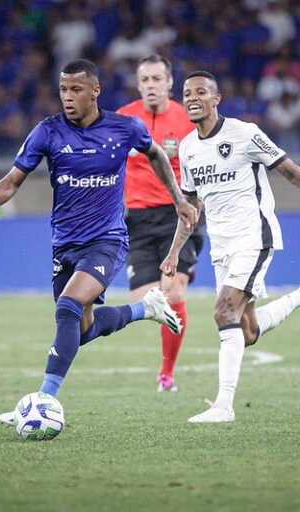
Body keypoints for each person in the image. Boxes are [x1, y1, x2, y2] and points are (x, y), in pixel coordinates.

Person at [0, 59, 198, 426]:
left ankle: (42, 400)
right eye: (62, 90)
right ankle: (144, 310)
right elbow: (13, 179)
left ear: (95, 91)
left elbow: (157, 155)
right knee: (82, 328)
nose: (67, 97)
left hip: (108, 240)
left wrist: (179, 199)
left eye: (75, 90)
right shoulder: (47, 131)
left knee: (68, 307)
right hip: (64, 244)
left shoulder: (124, 128)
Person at [160, 71, 300, 423]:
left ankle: (223, 406)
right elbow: (189, 208)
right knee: (246, 331)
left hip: (254, 237)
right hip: (221, 246)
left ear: (216, 98)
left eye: (201, 92)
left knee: (224, 313)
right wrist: (175, 251)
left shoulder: (245, 133)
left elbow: (293, 172)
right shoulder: (188, 148)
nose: (192, 98)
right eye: (187, 93)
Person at [116, 54, 206, 392]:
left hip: (178, 215)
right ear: (138, 85)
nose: (151, 85)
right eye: (146, 80)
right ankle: (186, 270)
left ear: (170, 82)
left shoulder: (188, 121)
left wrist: (198, 205)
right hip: (136, 219)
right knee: (149, 299)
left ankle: (166, 374)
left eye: (158, 79)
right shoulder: (124, 119)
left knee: (172, 291)